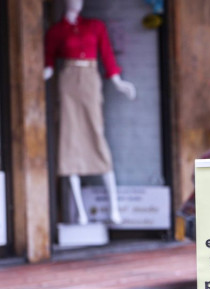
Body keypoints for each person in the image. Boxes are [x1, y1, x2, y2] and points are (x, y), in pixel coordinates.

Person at [44, 0, 136, 225]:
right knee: (69, 137)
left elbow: (106, 55)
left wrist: (117, 81)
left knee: (96, 133)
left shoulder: (95, 26)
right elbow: (47, 64)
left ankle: (114, 209)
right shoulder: (57, 31)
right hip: (67, 82)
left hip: (90, 78)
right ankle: (81, 213)